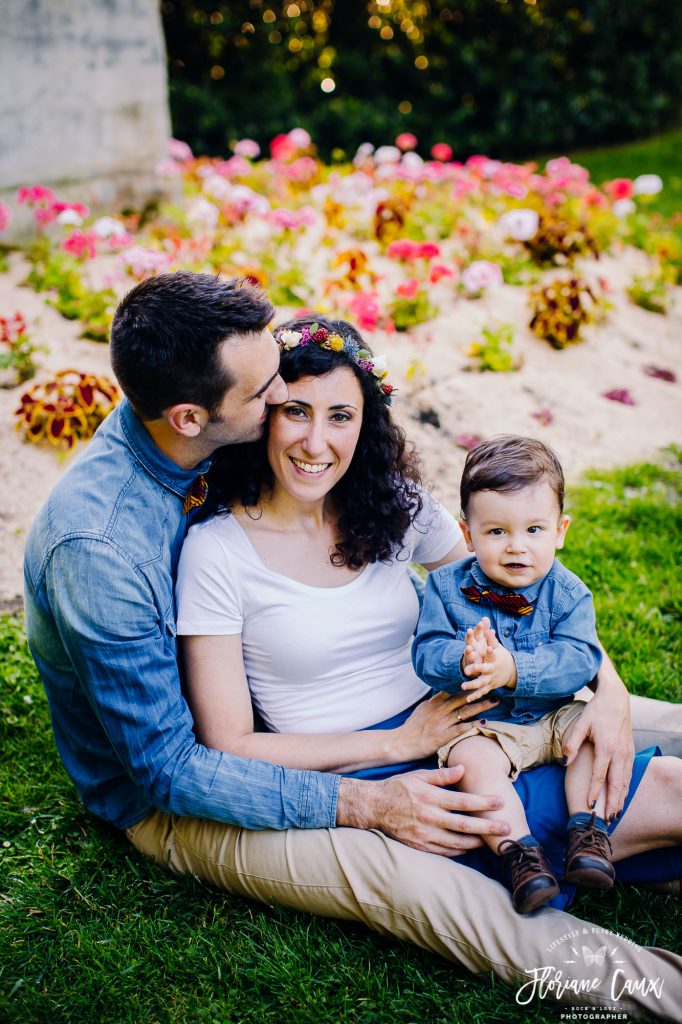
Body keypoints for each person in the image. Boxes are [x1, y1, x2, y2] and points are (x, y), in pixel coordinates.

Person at [22, 274, 682, 1019]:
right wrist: (371, 793)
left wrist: (606, 685)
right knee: (434, 880)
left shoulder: (259, 446)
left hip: (425, 719)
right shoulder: (107, 548)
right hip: (186, 789)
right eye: (277, 398)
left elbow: (526, 578)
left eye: (337, 412)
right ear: (192, 417)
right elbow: (178, 765)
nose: (287, 406)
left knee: (634, 731)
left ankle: (592, 832)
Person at [413, 437, 626, 911]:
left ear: (560, 530)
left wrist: (514, 669)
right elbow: (425, 652)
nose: (516, 547)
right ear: (468, 535)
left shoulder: (569, 593)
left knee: (590, 732)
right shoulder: (445, 589)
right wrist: (461, 662)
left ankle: (586, 833)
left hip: (552, 717)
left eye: (533, 529)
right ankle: (520, 856)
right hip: (486, 724)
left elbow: (579, 659)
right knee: (470, 759)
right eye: (496, 532)